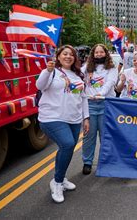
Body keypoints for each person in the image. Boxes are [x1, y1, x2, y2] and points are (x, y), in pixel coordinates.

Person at [36, 45, 89, 203]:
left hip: (73, 119)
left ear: (75, 58)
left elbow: (83, 97)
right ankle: (57, 183)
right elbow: (39, 86)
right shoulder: (52, 72)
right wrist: (48, 70)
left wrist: (86, 118)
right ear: (58, 56)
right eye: (64, 54)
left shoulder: (78, 75)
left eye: (71, 54)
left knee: (68, 149)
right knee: (67, 144)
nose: (68, 56)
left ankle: (60, 178)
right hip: (52, 117)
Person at [81, 44, 118, 175]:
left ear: (106, 53)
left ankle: (106, 162)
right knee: (88, 136)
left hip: (106, 104)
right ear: (93, 54)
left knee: (105, 135)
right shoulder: (86, 67)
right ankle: (87, 162)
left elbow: (110, 82)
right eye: (96, 52)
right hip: (90, 104)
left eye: (101, 52)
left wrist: (101, 93)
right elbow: (79, 79)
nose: (98, 54)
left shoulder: (111, 68)